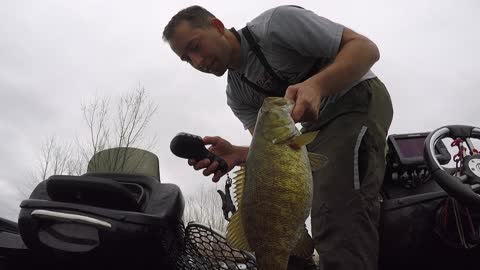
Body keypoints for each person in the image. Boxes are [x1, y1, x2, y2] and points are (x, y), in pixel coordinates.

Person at [163, 5, 393, 270]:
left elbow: (366, 49)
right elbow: (274, 150)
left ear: (216, 25)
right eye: (187, 59)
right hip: (310, 135)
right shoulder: (237, 95)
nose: (198, 61)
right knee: (292, 235)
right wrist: (240, 153)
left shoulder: (275, 26)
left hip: (355, 99)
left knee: (334, 213)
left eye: (195, 47)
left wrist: (317, 85)